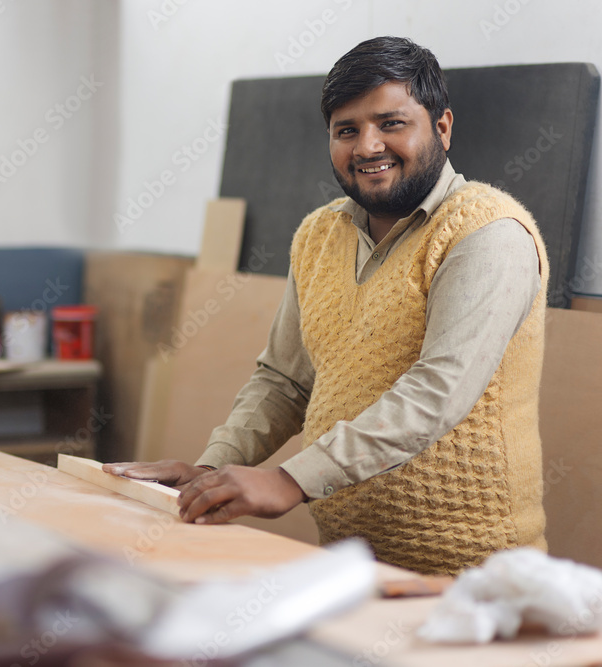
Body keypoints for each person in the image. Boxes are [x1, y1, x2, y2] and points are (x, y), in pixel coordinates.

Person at [104, 36, 550, 576]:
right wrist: (210, 470)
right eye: (347, 130)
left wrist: (289, 480)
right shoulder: (319, 235)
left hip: (471, 575)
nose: (366, 147)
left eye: (391, 123)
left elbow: (437, 392)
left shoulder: (487, 232)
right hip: (349, 566)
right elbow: (283, 382)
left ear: (442, 127)